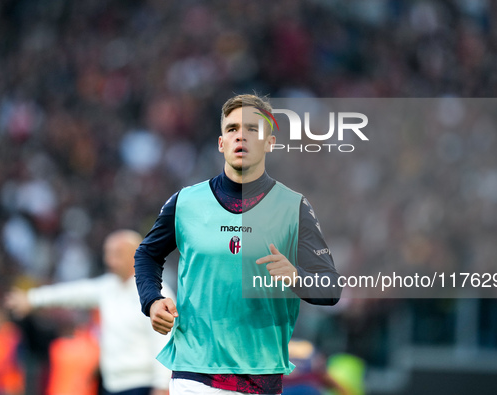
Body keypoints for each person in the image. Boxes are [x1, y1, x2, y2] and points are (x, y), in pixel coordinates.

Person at [134, 94, 341, 395]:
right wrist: (152, 300)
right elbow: (147, 254)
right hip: (194, 372)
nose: (240, 136)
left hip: (260, 377)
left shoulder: (294, 208)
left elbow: (330, 288)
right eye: (232, 129)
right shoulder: (185, 203)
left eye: (252, 129)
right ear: (221, 143)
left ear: (270, 142)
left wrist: (296, 277)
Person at [5, 230, 172, 395]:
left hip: (143, 384)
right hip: (112, 385)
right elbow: (73, 293)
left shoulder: (156, 293)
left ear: (135, 255)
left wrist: (162, 384)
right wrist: (32, 299)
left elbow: (164, 340)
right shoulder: (108, 287)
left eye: (116, 254)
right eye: (108, 254)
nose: (109, 260)